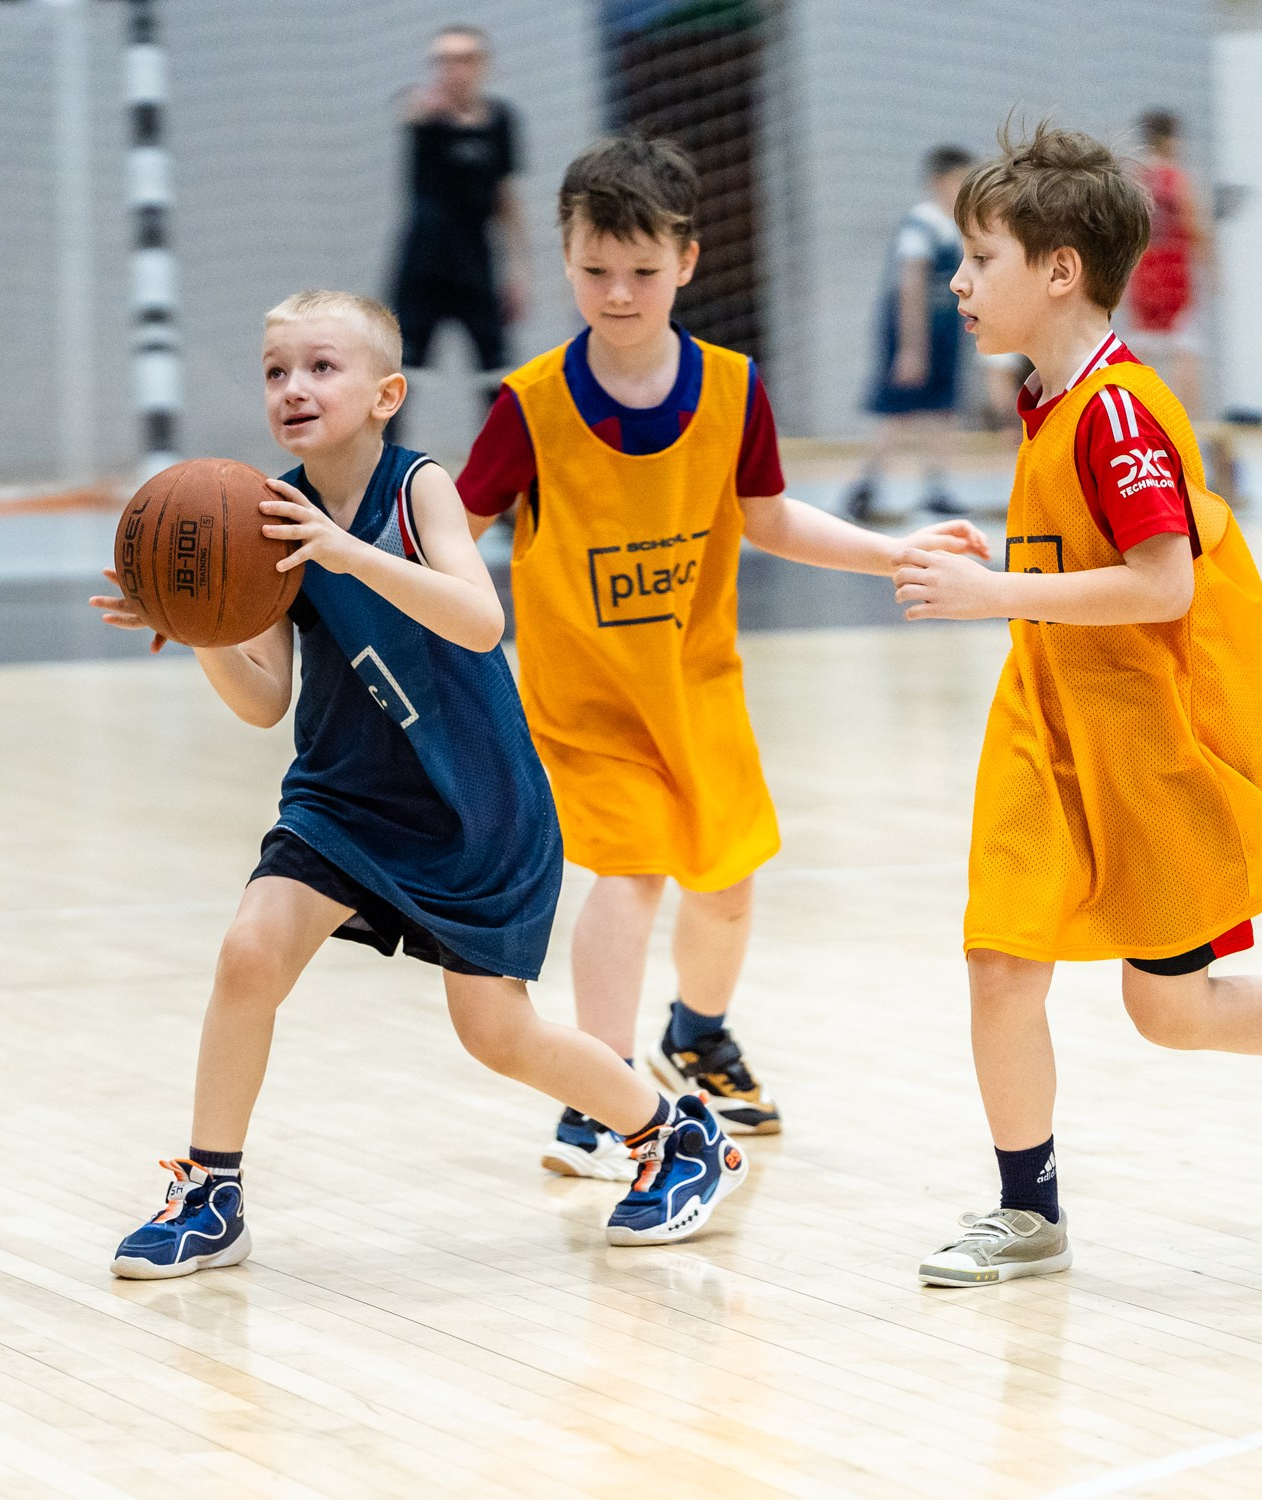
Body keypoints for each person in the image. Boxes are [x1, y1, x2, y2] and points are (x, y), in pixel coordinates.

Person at [88, 289, 747, 1277]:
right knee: (248, 953)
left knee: (497, 1034)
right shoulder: (265, 518)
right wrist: (198, 631)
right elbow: (264, 701)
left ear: (386, 393)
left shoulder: (417, 489)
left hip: (472, 802)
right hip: (343, 795)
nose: (293, 388)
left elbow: (478, 620)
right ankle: (209, 1191)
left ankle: (676, 1131)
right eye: (276, 372)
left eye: (320, 367)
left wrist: (349, 556)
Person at [890, 123, 1262, 1286]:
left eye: (980, 260)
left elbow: (1161, 581)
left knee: (1168, 1010)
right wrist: (995, 573)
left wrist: (994, 590)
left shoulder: (1118, 410)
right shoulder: (1045, 396)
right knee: (999, 962)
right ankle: (1028, 1211)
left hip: (1140, 737)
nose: (959, 282)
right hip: (1044, 720)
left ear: (1059, 270)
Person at [455, 136, 988, 1177]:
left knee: (730, 881)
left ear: (687, 262)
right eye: (595, 270)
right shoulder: (528, 405)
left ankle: (695, 1033)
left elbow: (771, 519)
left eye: (642, 272)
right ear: (565, 260)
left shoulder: (733, 388)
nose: (617, 292)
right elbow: (452, 526)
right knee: (630, 873)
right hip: (583, 702)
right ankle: (598, 1095)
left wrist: (895, 555)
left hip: (696, 690)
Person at [389, 25, 528, 428]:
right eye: (443, 61)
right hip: (422, 266)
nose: (454, 70)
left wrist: (519, 269)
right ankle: (379, 475)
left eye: (464, 59)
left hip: (476, 266)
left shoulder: (500, 121)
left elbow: (506, 197)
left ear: (483, 65)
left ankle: (505, 476)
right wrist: (423, 106)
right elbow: (407, 108)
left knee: (495, 376)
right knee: (399, 373)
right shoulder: (425, 117)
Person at [844, 145, 974, 523]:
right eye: (960, 180)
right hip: (913, 333)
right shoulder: (921, 224)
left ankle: (937, 487)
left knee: (941, 408)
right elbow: (910, 288)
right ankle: (866, 486)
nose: (965, 188)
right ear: (938, 182)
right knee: (897, 409)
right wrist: (911, 348)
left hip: (945, 331)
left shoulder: (954, 227)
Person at [1125, 109, 1235, 495]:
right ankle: (1186, 437)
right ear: (1171, 139)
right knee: (1186, 354)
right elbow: (1196, 227)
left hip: (1143, 276)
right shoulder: (1178, 179)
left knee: (1144, 356)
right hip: (1173, 274)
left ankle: (1142, 438)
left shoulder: (1135, 182)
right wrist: (1215, 271)